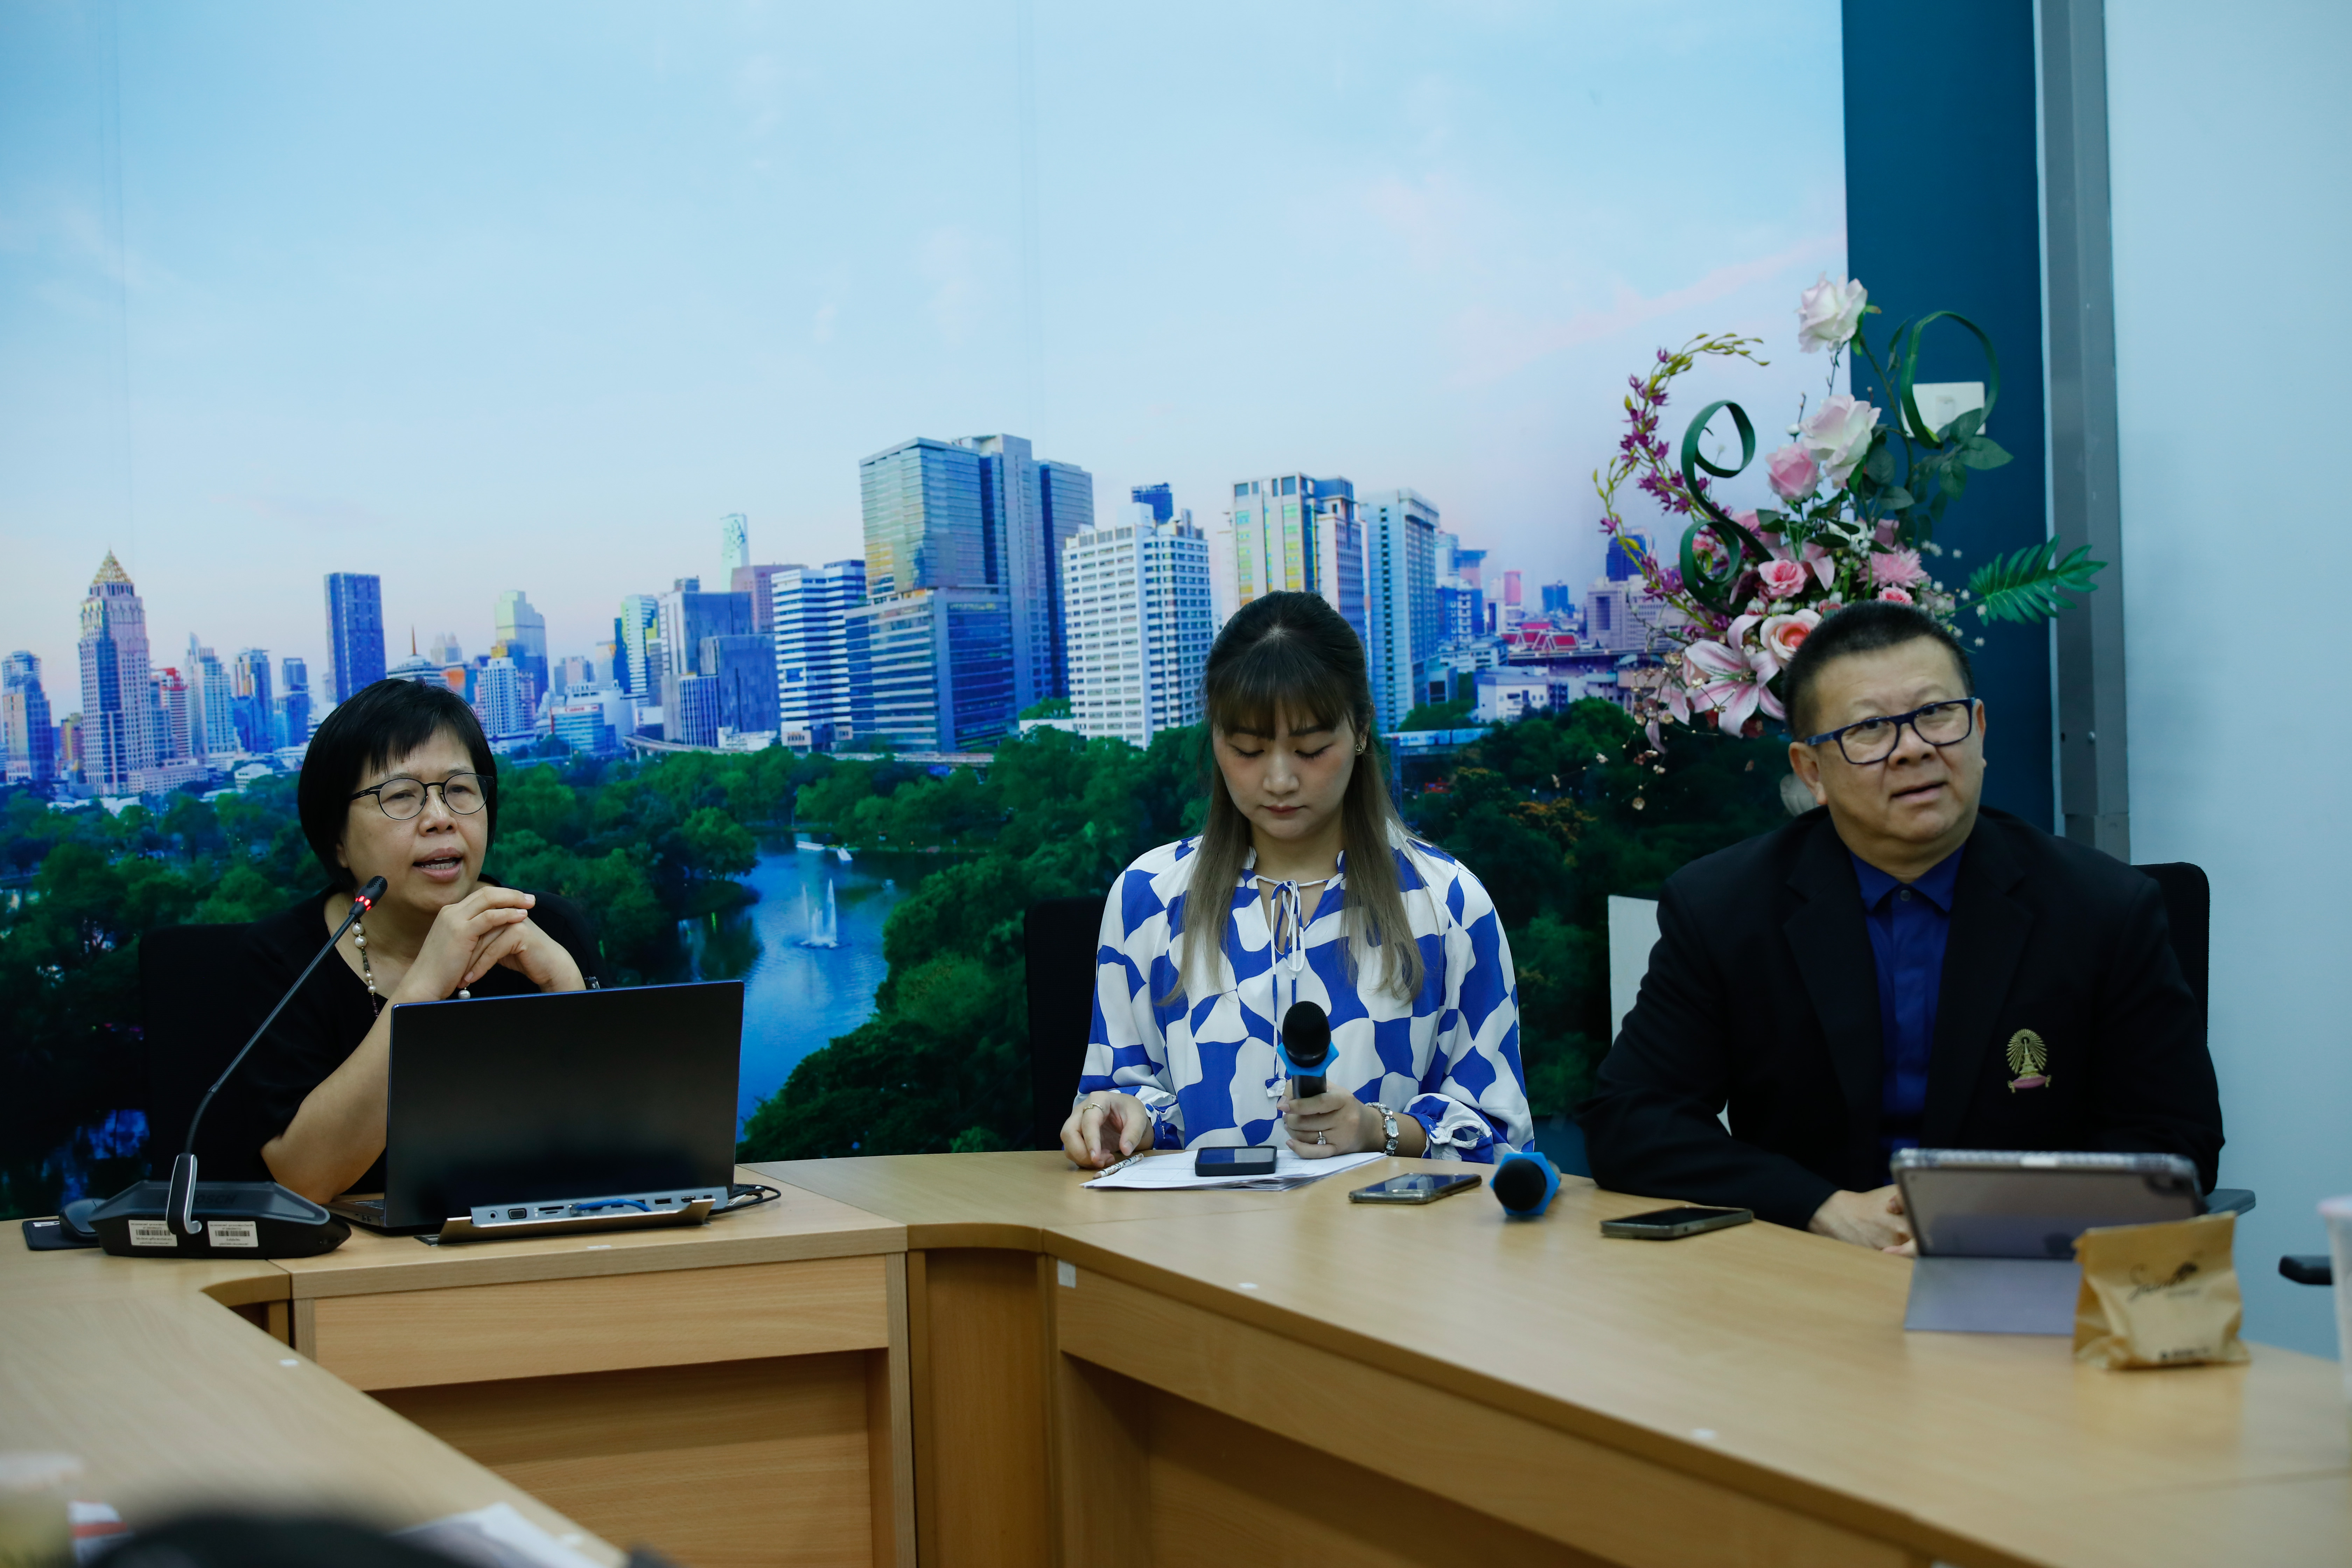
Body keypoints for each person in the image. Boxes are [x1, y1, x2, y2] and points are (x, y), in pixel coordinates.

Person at [1580, 602, 2223, 1251]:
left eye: (1936, 714)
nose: (1914, 749)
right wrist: (1821, 1207)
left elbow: (2174, 1141)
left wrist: (1986, 1225)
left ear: (1979, 730)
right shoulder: (1724, 907)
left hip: (2027, 1270)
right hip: (1809, 1271)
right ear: (1811, 771)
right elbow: (1633, 1119)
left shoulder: (2103, 908)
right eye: (1870, 729)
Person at [1061, 591, 1532, 1169]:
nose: (1280, 780)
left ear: (1362, 729)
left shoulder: (1449, 904)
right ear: (1215, 739)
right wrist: (1121, 1119)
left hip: (1383, 1229)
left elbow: (1501, 1139)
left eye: (1310, 750)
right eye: (1248, 750)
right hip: (1195, 1227)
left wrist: (1377, 1130)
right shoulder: (1148, 898)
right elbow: (1118, 1095)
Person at [195, 679, 599, 1204]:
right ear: (338, 840)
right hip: (355, 1252)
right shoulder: (286, 960)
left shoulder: (548, 929)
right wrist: (423, 985)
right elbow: (304, 1180)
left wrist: (568, 988)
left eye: (460, 790)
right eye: (401, 796)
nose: (440, 819)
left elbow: (628, 1150)